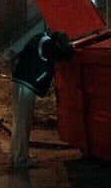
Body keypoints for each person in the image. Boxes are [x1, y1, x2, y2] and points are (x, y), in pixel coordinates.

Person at [9, 30, 74, 169]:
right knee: (23, 124)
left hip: (19, 83)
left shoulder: (39, 39)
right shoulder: (47, 43)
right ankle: (21, 160)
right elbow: (63, 54)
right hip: (25, 86)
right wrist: (71, 47)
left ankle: (15, 157)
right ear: (56, 42)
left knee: (18, 123)